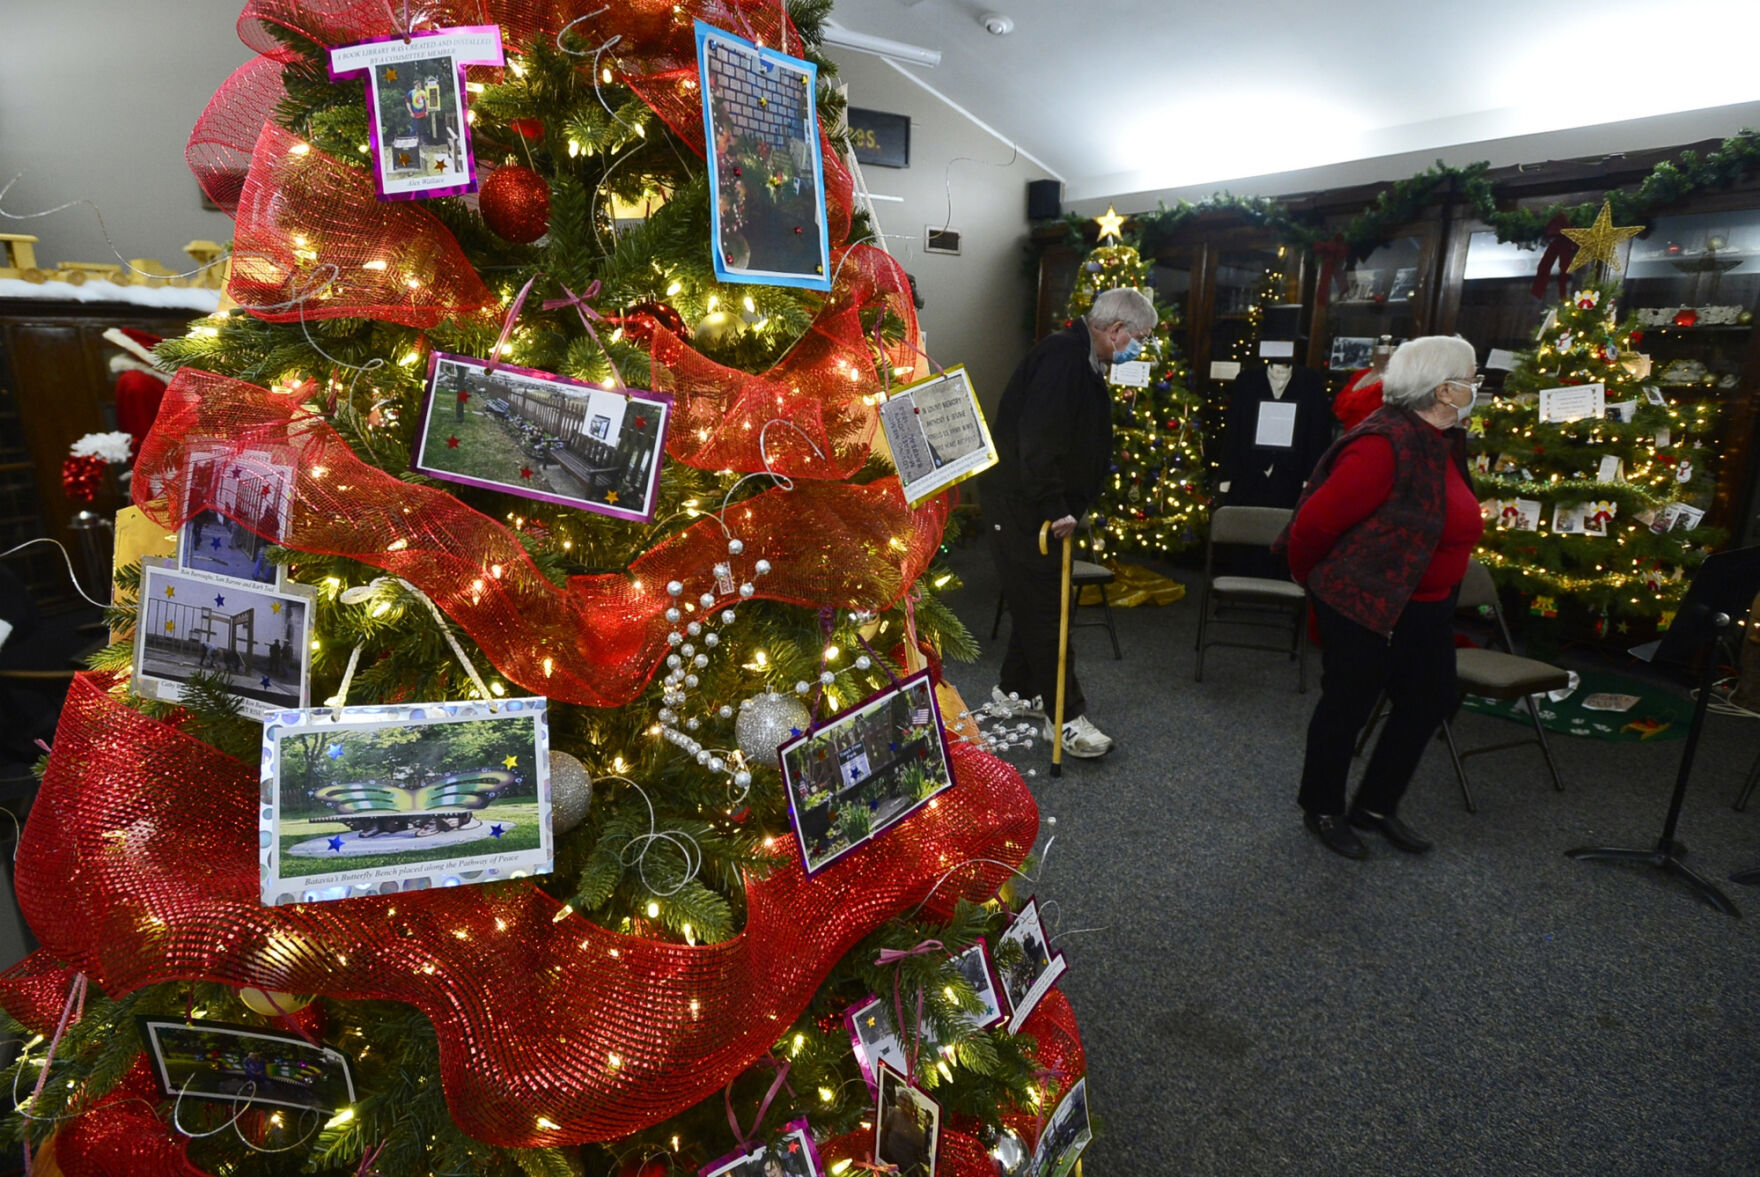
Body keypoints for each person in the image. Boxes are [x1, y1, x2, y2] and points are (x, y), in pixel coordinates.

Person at [1275, 335, 1486, 859]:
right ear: (1443, 390)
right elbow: (1313, 525)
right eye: (1471, 378)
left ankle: (1374, 806)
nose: (1477, 387)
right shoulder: (1382, 443)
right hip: (1363, 603)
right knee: (1348, 705)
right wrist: (1312, 581)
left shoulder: (1442, 438)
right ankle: (1322, 807)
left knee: (1431, 698)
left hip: (1425, 602)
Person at [980, 286, 1156, 758]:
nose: (1141, 346)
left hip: (1035, 506)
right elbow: (1039, 442)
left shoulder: (1081, 356)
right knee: (1046, 609)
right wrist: (1056, 507)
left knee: (1034, 600)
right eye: (1140, 337)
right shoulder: (1063, 358)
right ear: (1116, 330)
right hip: (1027, 508)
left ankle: (1013, 693)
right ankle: (1065, 719)